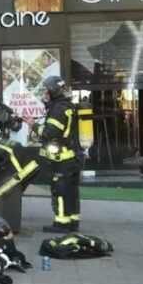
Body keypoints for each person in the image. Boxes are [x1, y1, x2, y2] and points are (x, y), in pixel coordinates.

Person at [38, 76, 81, 233]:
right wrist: (48, 105)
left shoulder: (58, 109)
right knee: (71, 191)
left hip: (62, 159)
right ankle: (73, 220)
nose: (45, 93)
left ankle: (61, 223)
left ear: (53, 91)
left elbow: (51, 133)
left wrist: (35, 127)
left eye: (47, 90)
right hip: (72, 156)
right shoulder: (66, 105)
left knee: (60, 190)